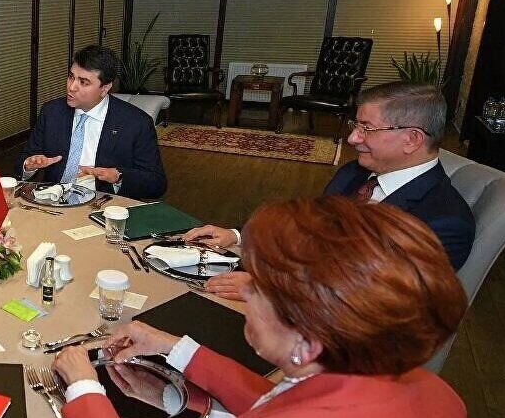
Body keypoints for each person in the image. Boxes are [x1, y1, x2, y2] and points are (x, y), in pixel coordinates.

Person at [53, 196, 480, 418]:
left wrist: (84, 388)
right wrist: (174, 348)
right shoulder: (436, 393)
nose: (244, 293)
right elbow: (286, 403)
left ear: (306, 341)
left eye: (257, 287)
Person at [184, 81, 475, 299]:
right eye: (355, 125)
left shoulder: (443, 222)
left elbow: (372, 297)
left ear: (412, 139)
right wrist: (237, 236)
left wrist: (268, 289)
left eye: (367, 128)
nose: (353, 138)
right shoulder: (354, 174)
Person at [16, 45, 166, 198]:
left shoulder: (136, 123)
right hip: (53, 200)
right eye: (71, 77)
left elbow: (156, 183)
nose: (71, 87)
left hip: (103, 203)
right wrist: (29, 165)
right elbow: (23, 161)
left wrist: (118, 176)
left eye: (84, 82)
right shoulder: (52, 112)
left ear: (105, 88)